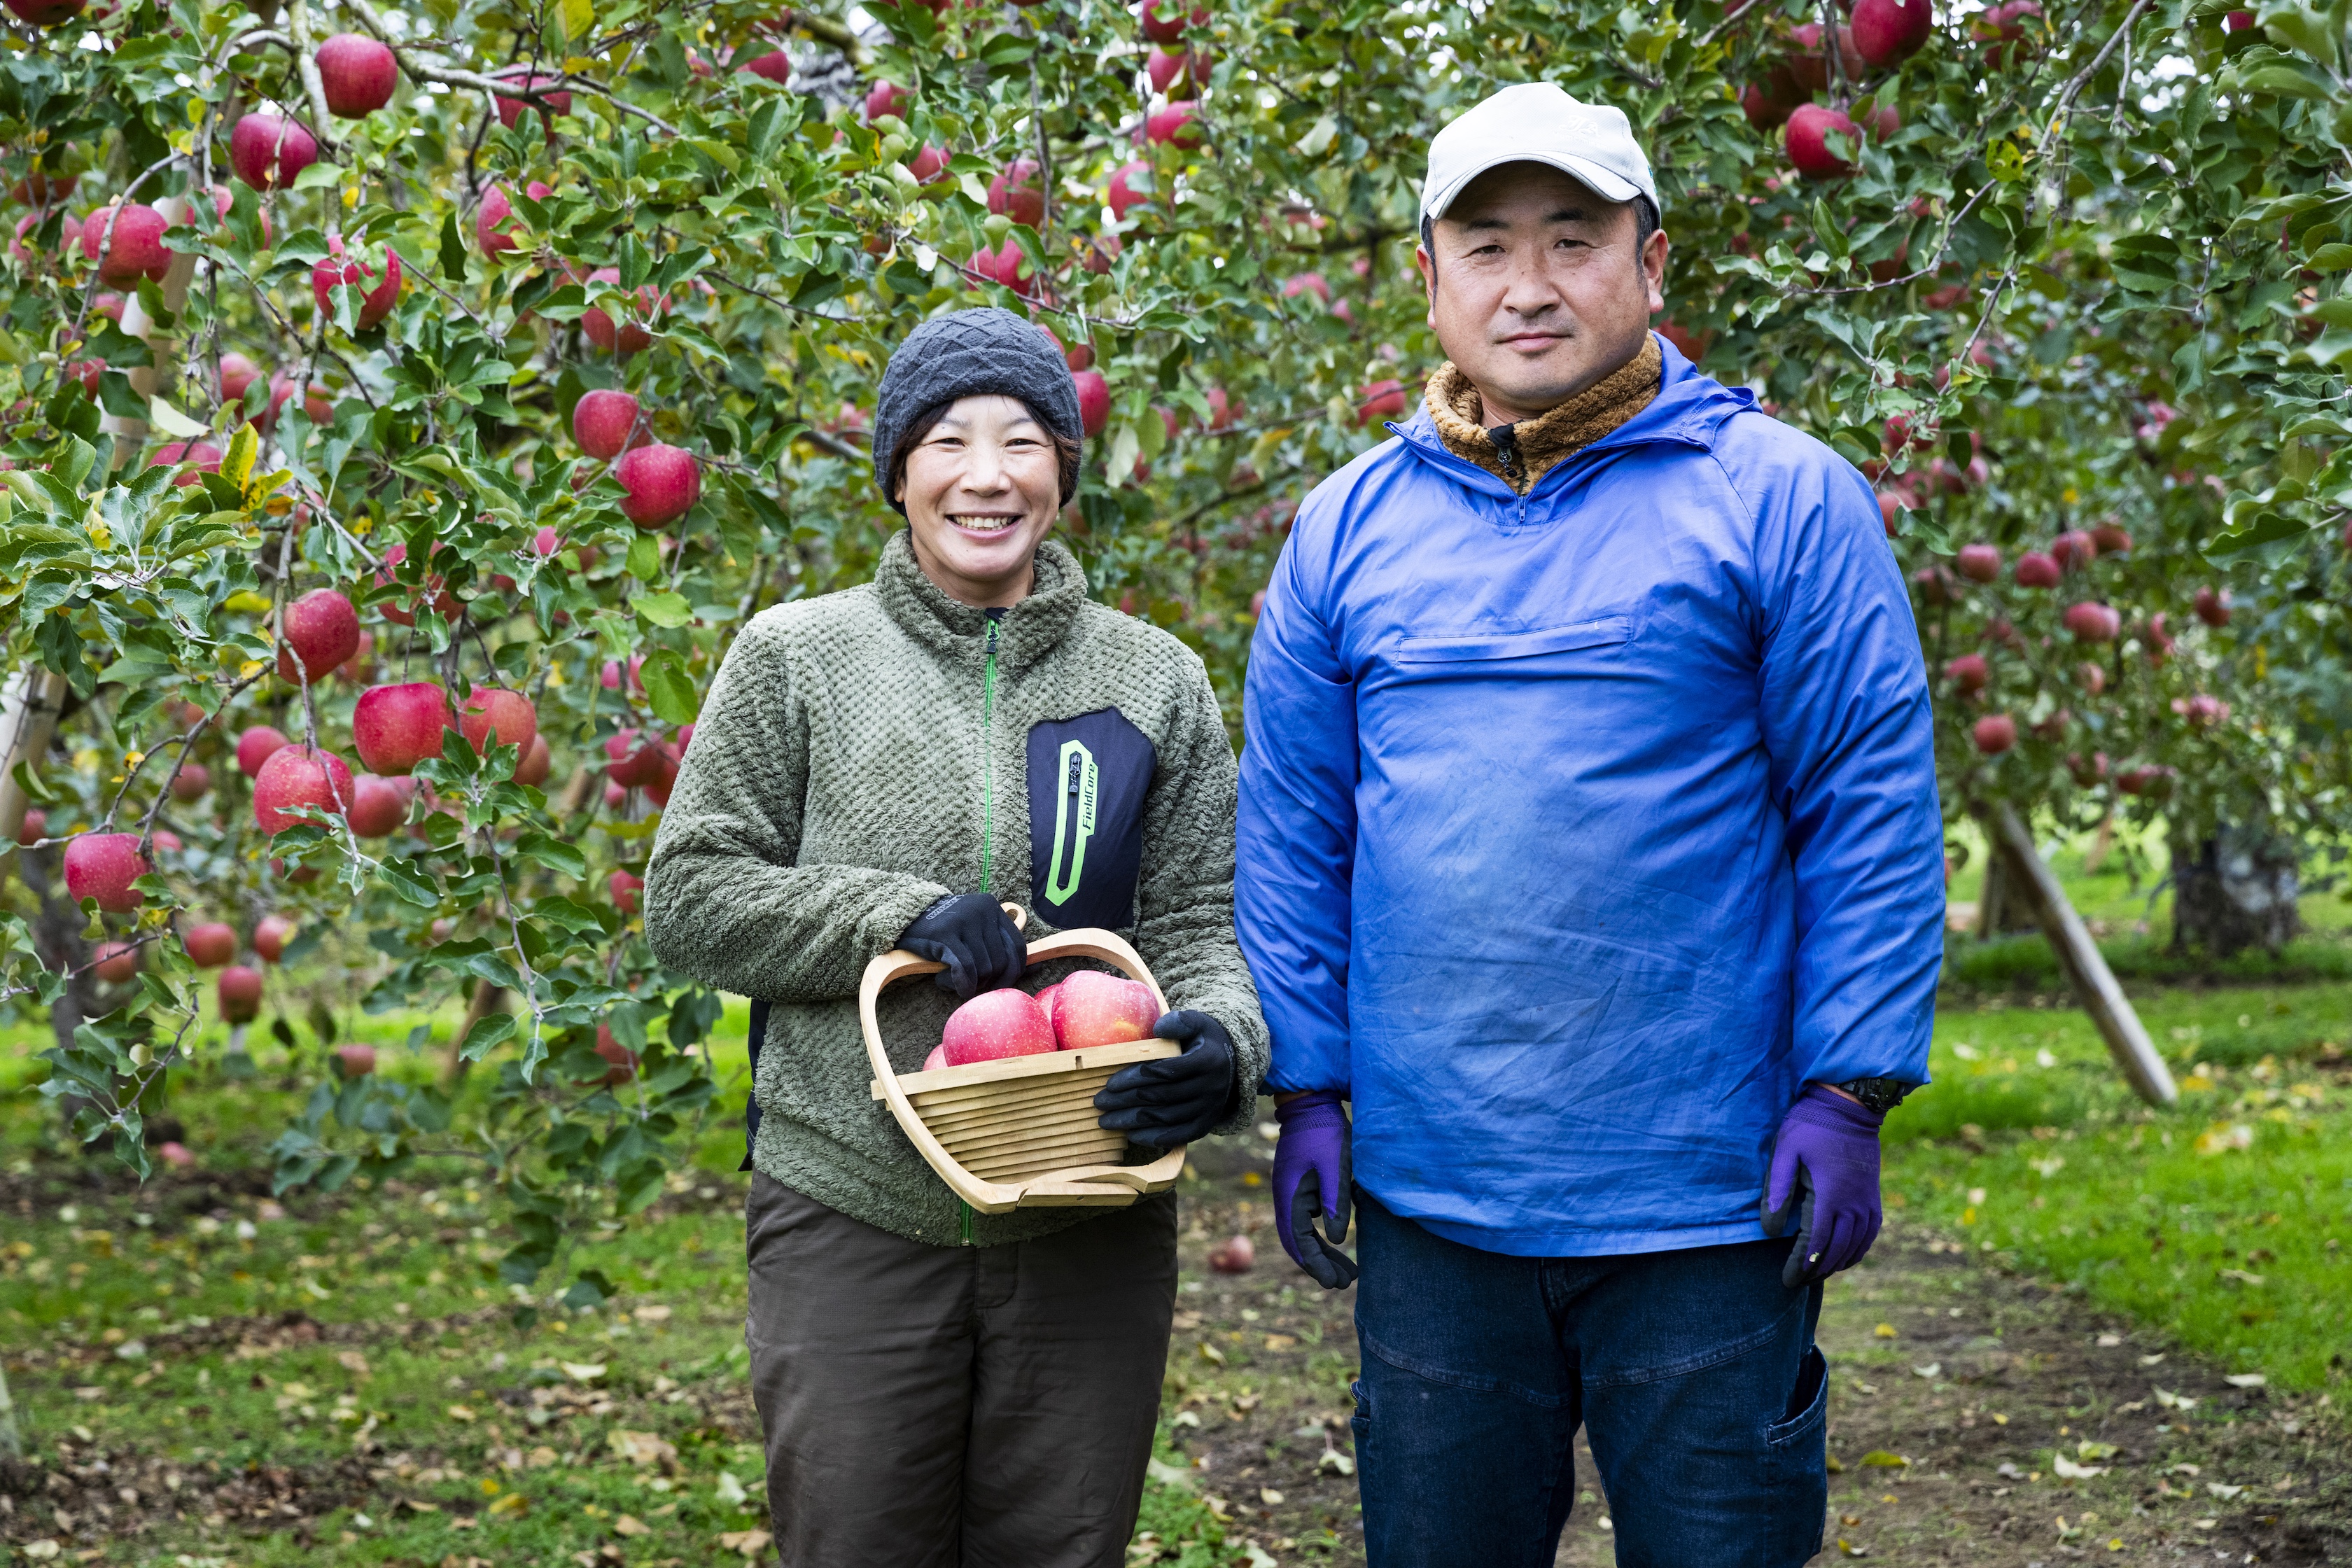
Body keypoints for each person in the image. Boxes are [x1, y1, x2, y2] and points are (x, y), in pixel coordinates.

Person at [1234, 83, 1945, 1567]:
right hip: (1435, 1202)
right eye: (1488, 244)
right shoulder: (1346, 529)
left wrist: (1850, 1085)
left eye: (1575, 236)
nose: (1532, 283)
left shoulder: (1786, 502)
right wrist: (1308, 1082)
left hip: (1703, 1198)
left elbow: (1867, 805)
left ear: (1655, 262)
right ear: (1429, 278)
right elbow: (1297, 832)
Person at [644, 306, 1268, 1567]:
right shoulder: (796, 660)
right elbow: (693, 898)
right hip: (852, 1209)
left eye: (1024, 440)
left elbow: (1203, 922)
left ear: (1064, 474)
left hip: (1090, 1204)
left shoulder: (1155, 681)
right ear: (899, 474)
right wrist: (898, 915)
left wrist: (1227, 1047)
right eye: (947, 441)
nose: (987, 475)